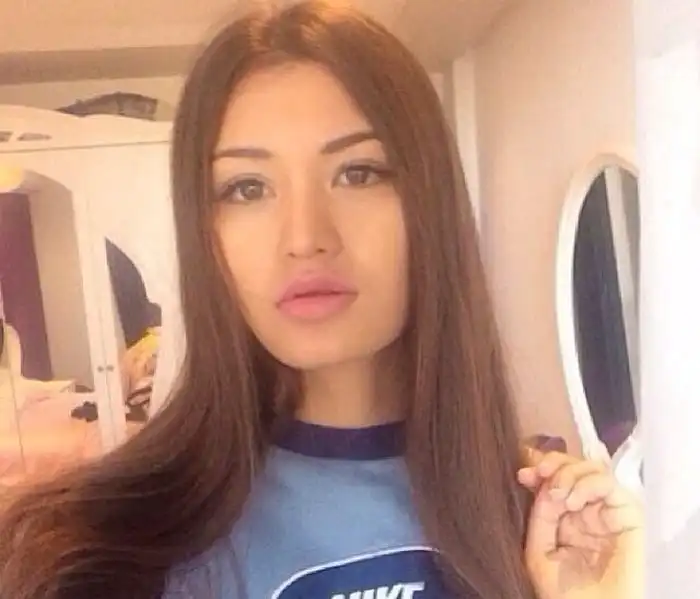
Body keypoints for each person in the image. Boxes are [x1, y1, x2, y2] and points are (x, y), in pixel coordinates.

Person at [0, 2, 642, 598]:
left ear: (430, 205)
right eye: (247, 188)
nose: (305, 237)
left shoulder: (534, 519)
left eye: (358, 173)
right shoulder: (103, 554)